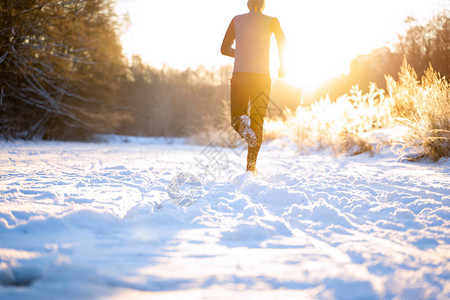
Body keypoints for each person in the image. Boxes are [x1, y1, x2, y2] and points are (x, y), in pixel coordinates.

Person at [221, 0, 286, 175]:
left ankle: (243, 128)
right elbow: (282, 41)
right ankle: (251, 167)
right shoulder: (272, 21)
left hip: (240, 75)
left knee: (237, 118)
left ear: (248, 5)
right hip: (262, 77)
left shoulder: (237, 20)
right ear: (263, 5)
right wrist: (282, 65)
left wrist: (240, 52)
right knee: (258, 121)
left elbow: (223, 49)